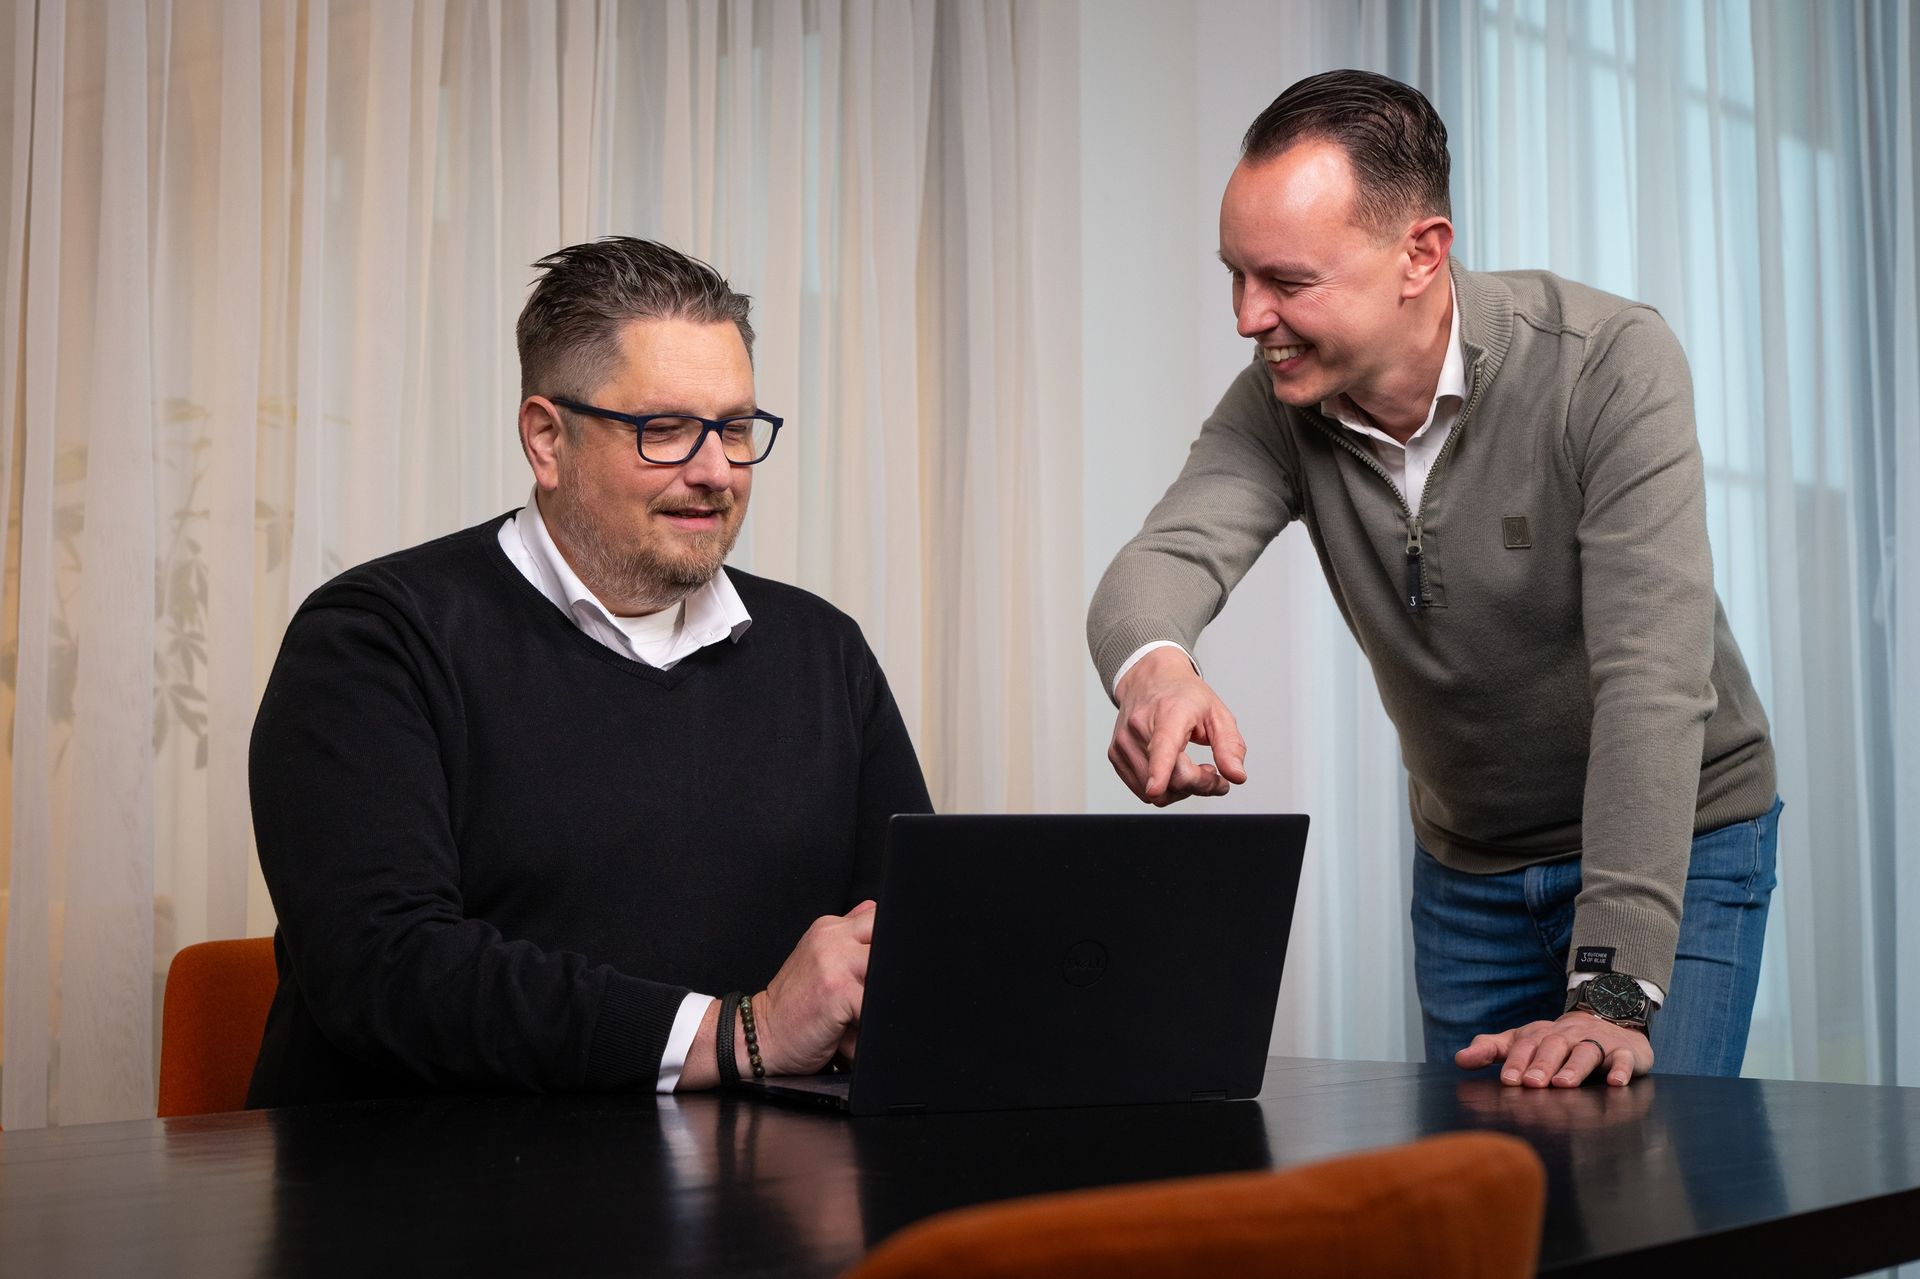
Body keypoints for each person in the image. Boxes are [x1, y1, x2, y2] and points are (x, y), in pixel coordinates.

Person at [1087, 71, 1778, 1089]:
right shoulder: (1279, 403)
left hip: (1678, 839)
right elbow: (1162, 561)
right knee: (1478, 1187)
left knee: (1646, 1173)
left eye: (1286, 280)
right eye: (1235, 274)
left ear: (1420, 252)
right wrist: (1156, 673)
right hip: (1470, 871)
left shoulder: (1606, 364)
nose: (1247, 315)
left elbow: (1652, 681)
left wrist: (1611, 990)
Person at [247, 237, 931, 1107]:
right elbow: (386, 969)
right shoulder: (374, 641)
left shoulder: (824, 652)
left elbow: (912, 939)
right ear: (547, 439)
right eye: (665, 430)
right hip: (428, 1178)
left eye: (733, 428)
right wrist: (740, 1032)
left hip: (756, 1176)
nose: (716, 471)